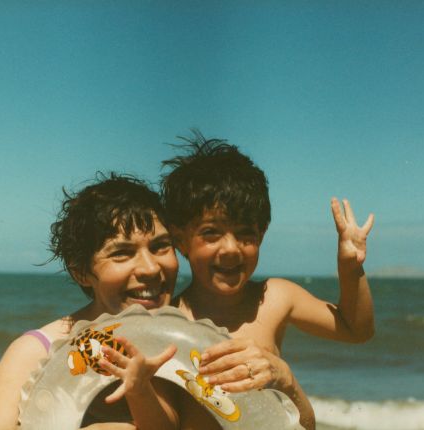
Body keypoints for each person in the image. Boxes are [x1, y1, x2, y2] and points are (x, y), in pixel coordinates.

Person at [161, 130, 376, 430]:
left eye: (245, 233)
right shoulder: (167, 322)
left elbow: (357, 330)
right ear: (180, 239)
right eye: (211, 232)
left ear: (261, 234)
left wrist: (350, 269)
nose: (231, 248)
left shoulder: (276, 297)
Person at [0, 174, 182, 430]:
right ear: (81, 272)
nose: (150, 268)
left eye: (161, 246)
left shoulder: (190, 340)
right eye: (122, 253)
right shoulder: (36, 352)